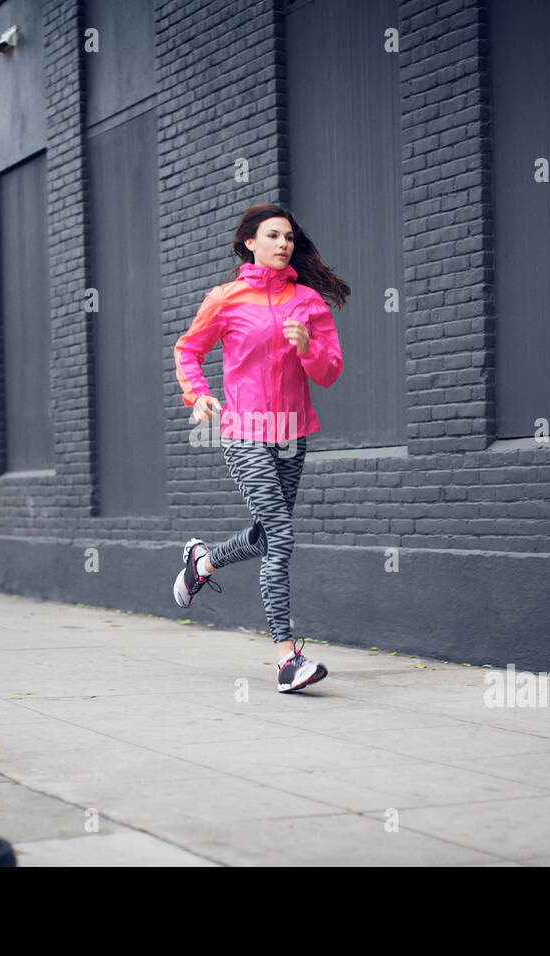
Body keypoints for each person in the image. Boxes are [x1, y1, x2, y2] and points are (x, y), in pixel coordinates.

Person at [171, 203, 348, 692]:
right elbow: (188, 350)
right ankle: (286, 657)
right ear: (250, 242)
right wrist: (198, 392)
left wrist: (307, 347)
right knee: (282, 536)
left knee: (270, 534)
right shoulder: (225, 299)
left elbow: (330, 372)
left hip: (293, 433)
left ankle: (202, 563)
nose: (283, 243)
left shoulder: (307, 304)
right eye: (273, 235)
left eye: (288, 236)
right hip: (245, 431)